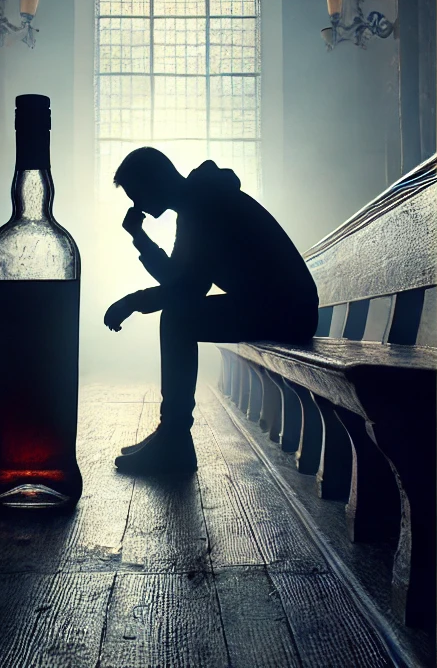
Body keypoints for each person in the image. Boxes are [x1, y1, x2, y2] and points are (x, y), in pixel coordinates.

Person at [104, 147, 319, 474]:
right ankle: (172, 435)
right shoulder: (196, 201)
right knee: (180, 315)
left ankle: (174, 439)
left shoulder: (203, 203)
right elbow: (180, 279)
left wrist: (133, 301)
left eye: (137, 195)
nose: (138, 207)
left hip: (287, 310)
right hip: (282, 306)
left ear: (154, 181)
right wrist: (139, 238)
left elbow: (185, 289)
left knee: (179, 319)